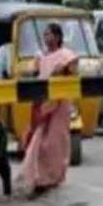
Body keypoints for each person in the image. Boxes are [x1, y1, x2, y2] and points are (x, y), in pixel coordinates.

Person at [21, 23, 78, 196]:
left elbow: (74, 73)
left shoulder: (67, 55)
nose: (46, 38)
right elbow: (34, 75)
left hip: (60, 104)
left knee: (55, 141)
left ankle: (53, 176)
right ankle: (38, 177)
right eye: (44, 35)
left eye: (50, 34)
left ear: (58, 37)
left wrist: (63, 70)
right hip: (42, 102)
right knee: (39, 139)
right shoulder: (40, 57)